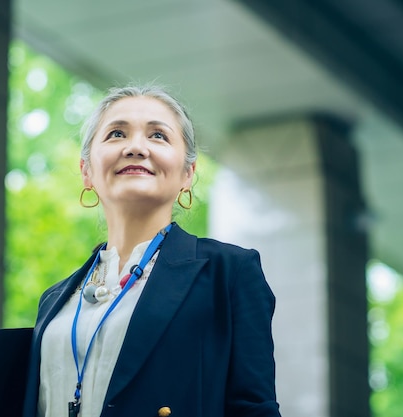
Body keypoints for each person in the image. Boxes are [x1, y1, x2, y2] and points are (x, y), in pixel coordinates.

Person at [22, 84, 281, 417]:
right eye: (116, 134)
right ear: (86, 171)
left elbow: (254, 409)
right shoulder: (55, 299)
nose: (135, 147)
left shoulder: (229, 273)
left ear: (188, 174)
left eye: (158, 136)